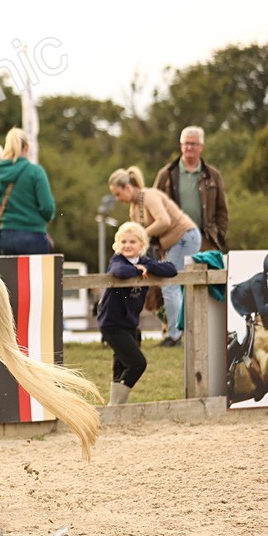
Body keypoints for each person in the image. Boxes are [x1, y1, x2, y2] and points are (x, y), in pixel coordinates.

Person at [108, 166, 201, 347]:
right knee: (168, 287)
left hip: (185, 237)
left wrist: (141, 235)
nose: (118, 199)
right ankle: (173, 331)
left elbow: (164, 221)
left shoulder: (149, 196)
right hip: (170, 244)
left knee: (170, 285)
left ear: (128, 187)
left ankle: (174, 336)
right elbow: (135, 235)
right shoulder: (134, 208)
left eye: (118, 194)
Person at [97, 222, 178, 405]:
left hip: (130, 323)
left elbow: (171, 269)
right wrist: (136, 271)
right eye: (123, 241)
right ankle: (115, 405)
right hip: (111, 323)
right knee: (137, 363)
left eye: (132, 242)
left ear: (142, 245)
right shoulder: (118, 260)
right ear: (117, 244)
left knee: (122, 363)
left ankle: (116, 408)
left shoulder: (144, 262)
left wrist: (148, 268)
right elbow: (118, 271)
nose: (127, 245)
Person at [153, 126, 229, 253]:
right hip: (174, 240)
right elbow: (153, 206)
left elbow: (222, 209)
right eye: (186, 143)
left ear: (201, 147)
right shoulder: (166, 174)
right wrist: (158, 240)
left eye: (193, 144)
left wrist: (219, 235)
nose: (189, 147)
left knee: (205, 267)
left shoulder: (213, 175)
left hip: (206, 240)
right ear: (181, 146)